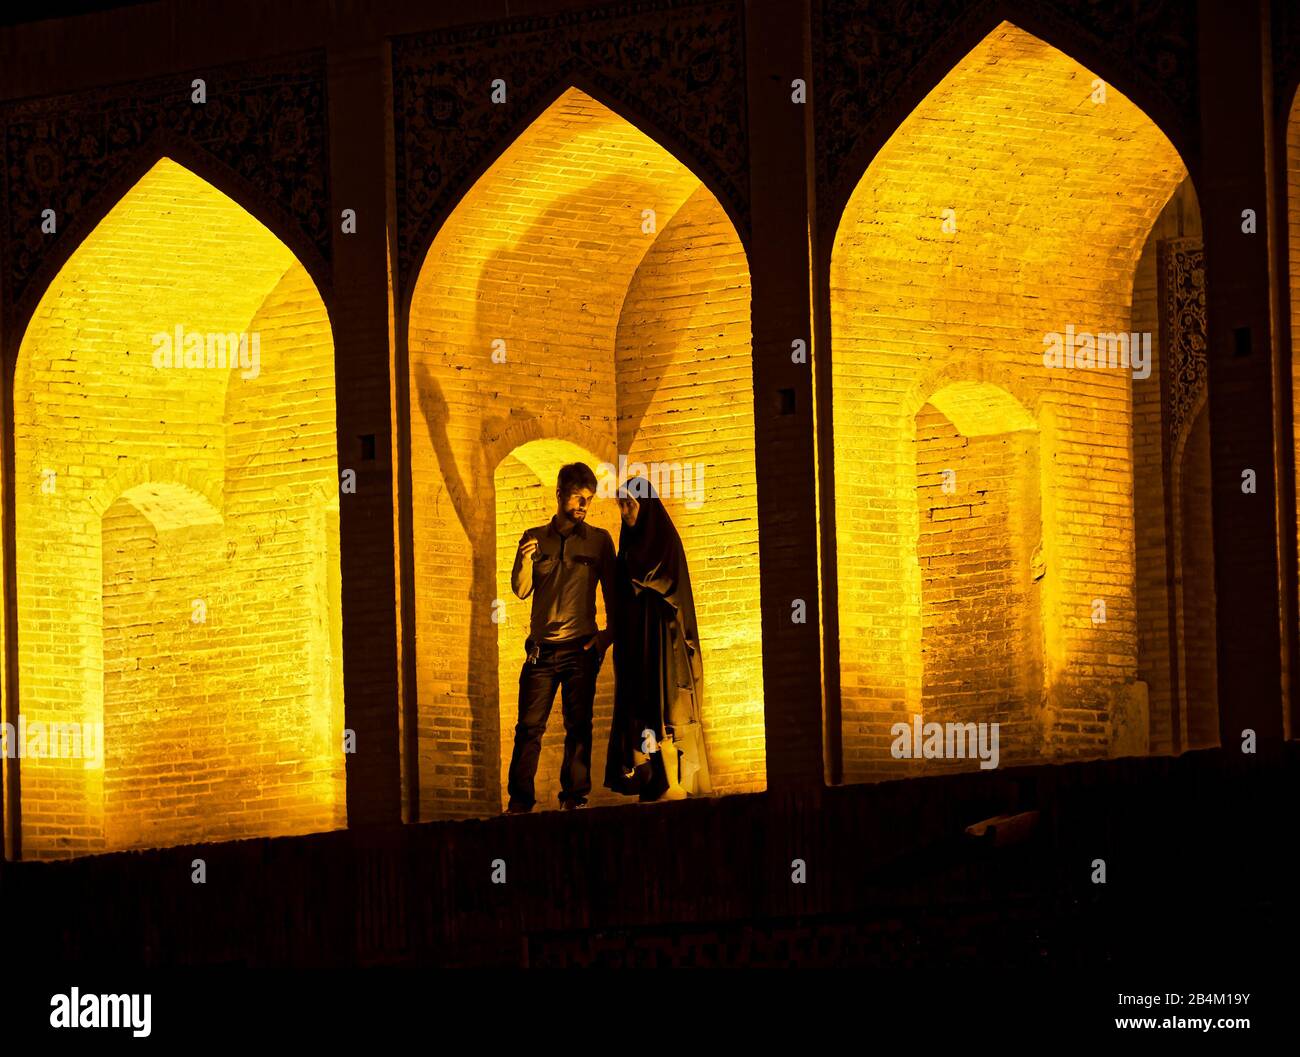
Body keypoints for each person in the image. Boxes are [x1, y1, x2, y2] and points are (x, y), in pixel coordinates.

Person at [506, 462, 616, 813]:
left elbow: (614, 593)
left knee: (579, 725)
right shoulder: (534, 537)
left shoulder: (599, 541)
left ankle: (574, 798)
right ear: (559, 495)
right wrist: (524, 563)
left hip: (580, 649)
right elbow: (521, 591)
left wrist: (605, 638)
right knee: (528, 727)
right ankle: (520, 802)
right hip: (541, 651)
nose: (583, 505)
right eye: (576, 497)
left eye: (588, 499)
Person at [604, 477, 712, 802]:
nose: (624, 512)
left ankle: (673, 780)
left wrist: (637, 577)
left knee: (667, 708)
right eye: (621, 505)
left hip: (665, 640)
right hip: (638, 641)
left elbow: (668, 580)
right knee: (641, 706)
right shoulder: (628, 545)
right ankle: (654, 778)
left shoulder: (664, 540)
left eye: (630, 504)